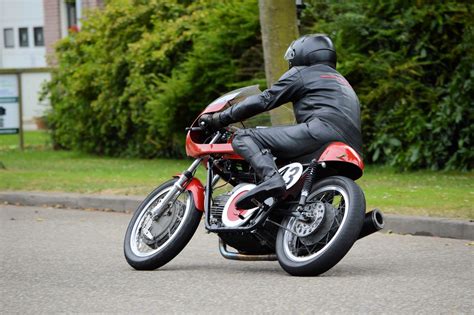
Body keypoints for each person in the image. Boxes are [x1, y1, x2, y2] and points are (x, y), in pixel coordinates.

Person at [199, 34, 362, 209]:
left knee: (244, 137)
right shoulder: (344, 83)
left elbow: (264, 100)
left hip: (319, 132)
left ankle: (271, 180)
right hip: (351, 148)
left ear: (302, 54)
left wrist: (219, 118)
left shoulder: (303, 73)